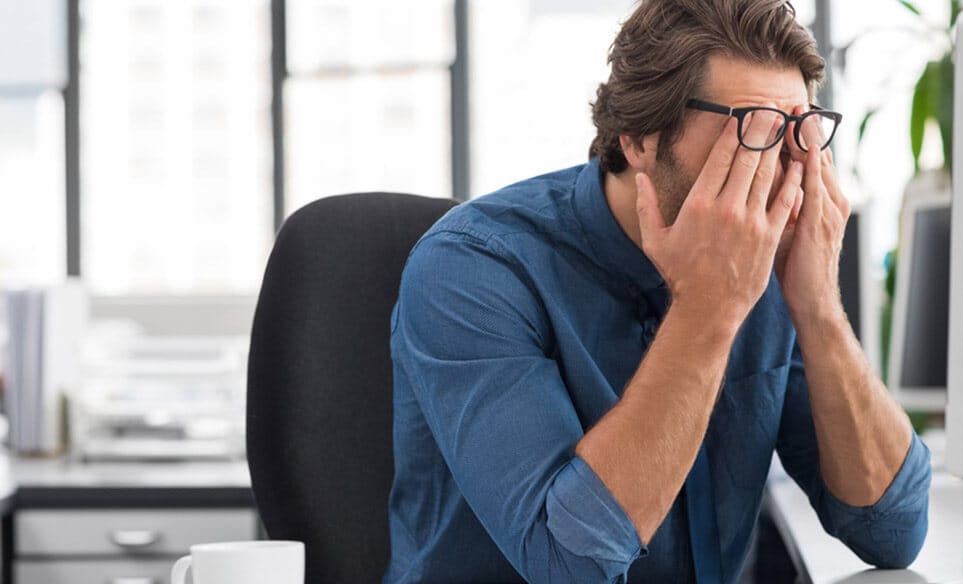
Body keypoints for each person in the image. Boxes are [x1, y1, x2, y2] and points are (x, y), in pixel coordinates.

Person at [385, 0, 931, 582]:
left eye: (797, 133)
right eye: (752, 133)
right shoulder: (472, 268)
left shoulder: (774, 265)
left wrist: (818, 304)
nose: (779, 172)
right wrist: (708, 309)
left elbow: (892, 531)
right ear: (640, 138)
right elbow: (571, 565)